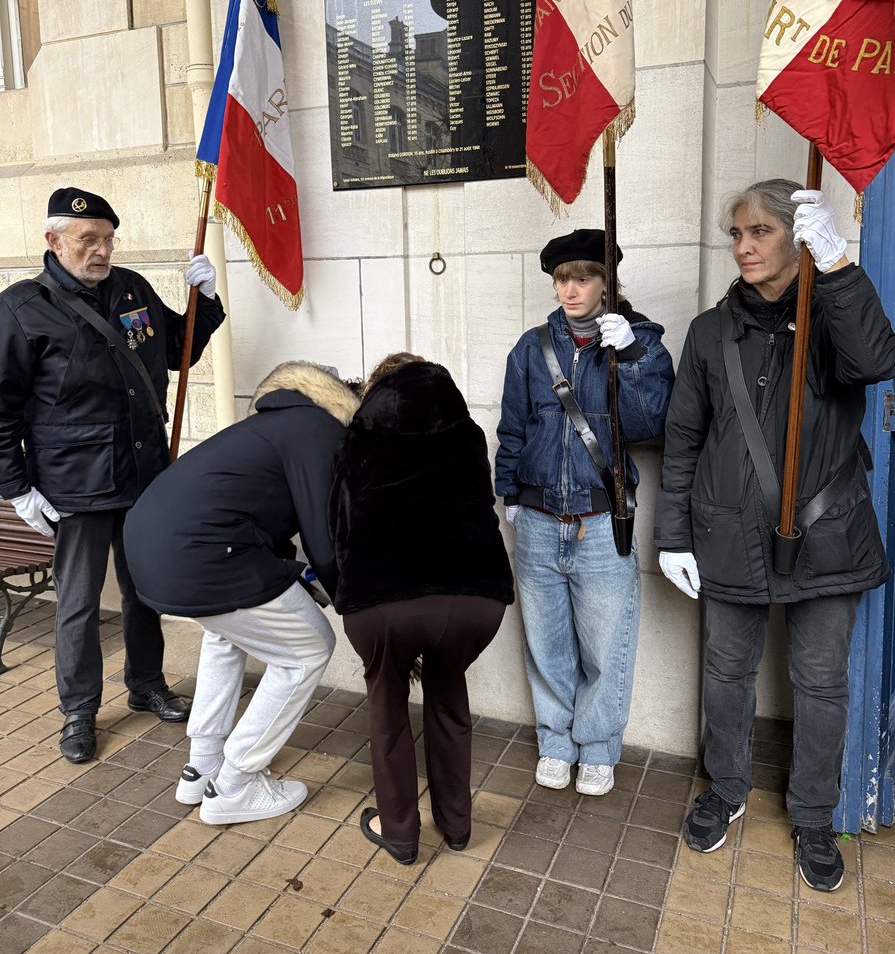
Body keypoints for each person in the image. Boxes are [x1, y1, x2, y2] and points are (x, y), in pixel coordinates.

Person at [655, 180, 895, 892]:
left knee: (821, 684)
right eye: (737, 233)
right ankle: (725, 789)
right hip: (727, 534)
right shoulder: (709, 331)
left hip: (828, 535)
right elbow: (683, 439)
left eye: (760, 230)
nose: (744, 246)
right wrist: (673, 536)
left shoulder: (836, 317)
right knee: (726, 674)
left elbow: (878, 362)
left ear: (796, 238)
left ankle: (816, 818)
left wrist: (839, 269)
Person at [0, 187, 225, 763]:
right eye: (87, 240)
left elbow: (179, 350)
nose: (100, 251)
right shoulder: (21, 308)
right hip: (75, 483)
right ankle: (79, 711)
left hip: (145, 472)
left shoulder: (131, 289)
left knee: (143, 587)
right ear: (53, 241)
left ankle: (147, 684)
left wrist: (206, 299)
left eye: (107, 239)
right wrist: (16, 486)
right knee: (77, 602)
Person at [124, 361, 358, 824]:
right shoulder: (320, 428)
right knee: (308, 649)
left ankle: (202, 764)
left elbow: (262, 518)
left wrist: (294, 575)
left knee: (226, 635)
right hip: (204, 556)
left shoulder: (268, 424)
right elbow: (323, 536)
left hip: (150, 551)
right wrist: (352, 603)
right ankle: (235, 782)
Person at [496, 229, 674, 796]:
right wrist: (510, 497)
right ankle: (555, 741)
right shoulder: (530, 348)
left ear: (607, 282)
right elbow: (512, 430)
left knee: (606, 642)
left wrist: (633, 358)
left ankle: (598, 748)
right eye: (561, 279)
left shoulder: (637, 341)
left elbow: (653, 424)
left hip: (602, 520)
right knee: (545, 641)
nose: (569, 290)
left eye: (583, 277)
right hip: (540, 519)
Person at [329, 353, 514, 864]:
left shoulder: (360, 434)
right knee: (449, 695)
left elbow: (338, 523)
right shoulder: (468, 433)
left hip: (384, 604)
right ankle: (456, 827)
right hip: (475, 600)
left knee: (388, 709)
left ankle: (401, 835)